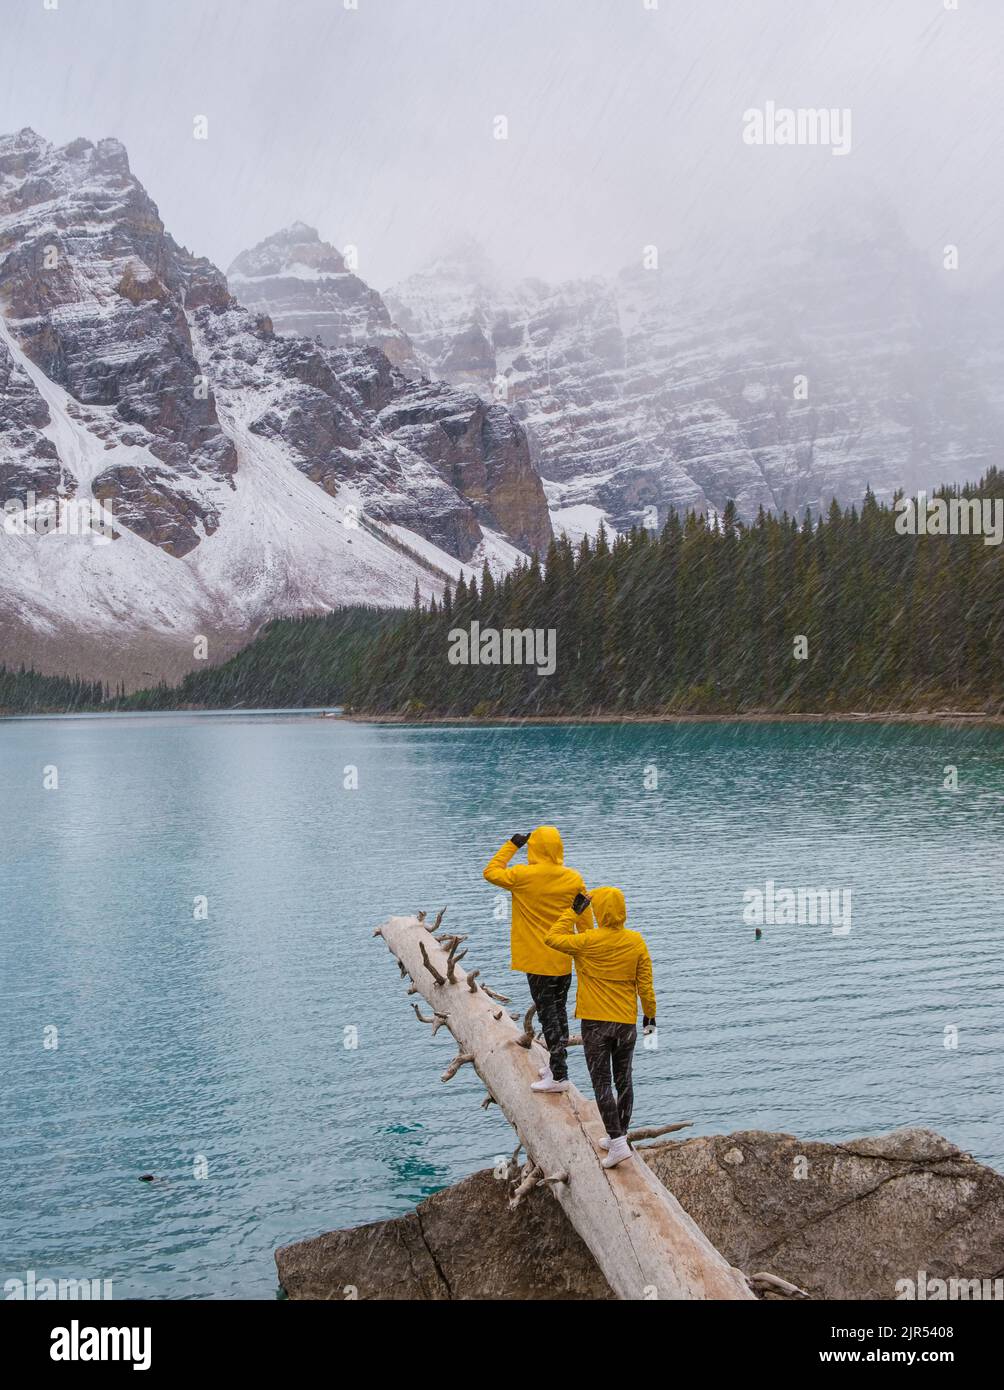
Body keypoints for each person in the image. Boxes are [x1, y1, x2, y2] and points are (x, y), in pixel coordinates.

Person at [544, 886, 656, 1167]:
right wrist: (650, 1018)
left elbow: (552, 938)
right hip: (626, 1023)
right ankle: (620, 1133)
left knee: (602, 1083)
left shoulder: (587, 941)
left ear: (599, 911)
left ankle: (617, 1143)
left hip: (595, 1023)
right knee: (624, 1080)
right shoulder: (636, 941)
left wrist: (573, 910)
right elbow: (646, 986)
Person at [483, 826, 594, 1093]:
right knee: (559, 1013)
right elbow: (584, 919)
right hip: (563, 957)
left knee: (548, 1017)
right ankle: (557, 1066)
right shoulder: (573, 878)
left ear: (533, 848)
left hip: (537, 961)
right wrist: (586, 951)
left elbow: (490, 871)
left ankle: (559, 1077)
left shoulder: (522, 875)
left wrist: (512, 844)